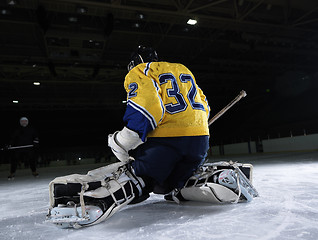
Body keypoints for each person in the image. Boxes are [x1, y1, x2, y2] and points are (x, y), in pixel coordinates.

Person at [108, 45, 210, 199]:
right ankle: (188, 182)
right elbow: (204, 105)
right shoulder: (182, 69)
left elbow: (147, 107)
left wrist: (125, 139)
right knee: (168, 186)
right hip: (200, 142)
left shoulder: (141, 70)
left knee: (140, 179)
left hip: (165, 144)